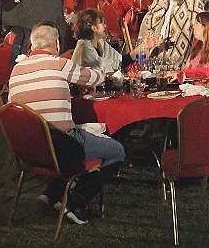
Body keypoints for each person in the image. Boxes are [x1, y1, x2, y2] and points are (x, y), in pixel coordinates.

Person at [8, 24, 125, 224]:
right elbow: (93, 78)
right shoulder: (59, 64)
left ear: (32, 45)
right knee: (117, 151)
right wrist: (108, 72)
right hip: (60, 148)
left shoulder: (16, 70)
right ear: (57, 43)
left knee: (65, 131)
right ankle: (74, 201)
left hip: (27, 150)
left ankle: (52, 193)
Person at [138, 0, 205, 65]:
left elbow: (200, 27)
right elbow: (149, 24)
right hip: (156, 48)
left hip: (179, 50)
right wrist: (161, 4)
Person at [72, 9, 123, 74]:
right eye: (101, 23)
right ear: (93, 28)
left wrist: (135, 53)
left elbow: (120, 61)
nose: (105, 26)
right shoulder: (84, 47)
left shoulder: (100, 43)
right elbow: (102, 69)